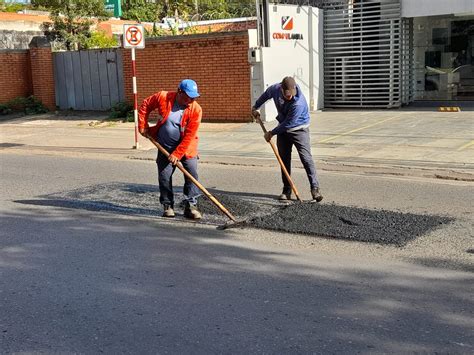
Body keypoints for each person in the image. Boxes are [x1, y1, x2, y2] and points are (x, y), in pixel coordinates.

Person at [138, 79, 203, 219]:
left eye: (193, 97)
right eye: (188, 97)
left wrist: (177, 154)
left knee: (192, 174)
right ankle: (168, 205)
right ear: (179, 92)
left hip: (187, 148)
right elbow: (145, 105)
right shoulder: (163, 97)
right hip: (165, 146)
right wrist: (142, 125)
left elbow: (189, 136)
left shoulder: (196, 109)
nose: (191, 100)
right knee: (164, 176)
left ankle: (191, 205)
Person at [252, 76, 323, 202]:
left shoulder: (298, 102)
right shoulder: (275, 89)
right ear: (281, 89)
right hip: (283, 128)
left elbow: (289, 123)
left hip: (299, 129)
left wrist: (271, 133)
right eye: (287, 95)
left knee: (306, 159)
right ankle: (287, 189)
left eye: (291, 95)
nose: (289, 97)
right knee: (283, 159)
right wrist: (255, 107)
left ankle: (315, 188)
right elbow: (266, 95)